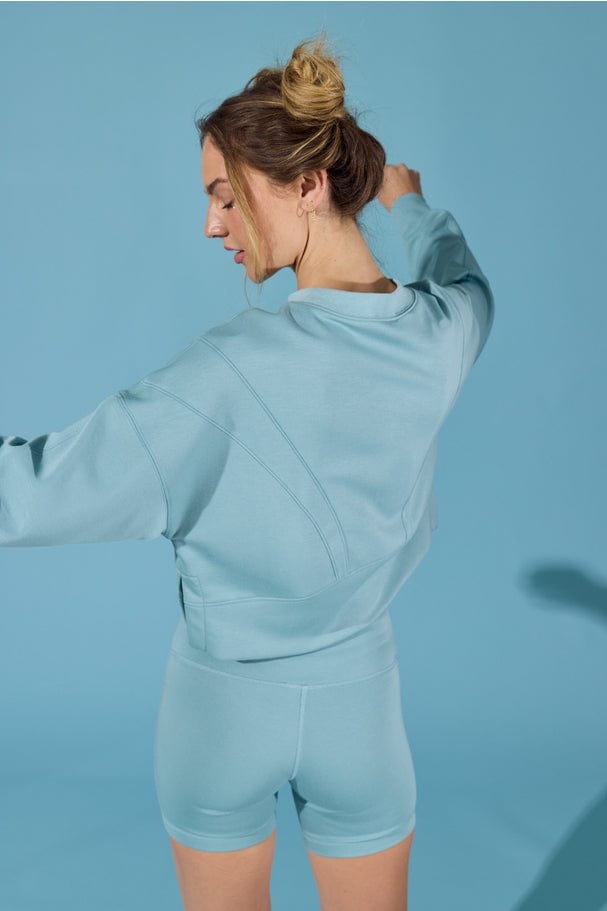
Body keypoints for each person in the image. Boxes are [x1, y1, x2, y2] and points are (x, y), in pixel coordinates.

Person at [0, 33, 494, 911]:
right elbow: (465, 282)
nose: (211, 224)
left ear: (306, 184)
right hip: (363, 718)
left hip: (219, 718)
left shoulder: (220, 374)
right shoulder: (438, 336)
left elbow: (28, 493)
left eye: (225, 197)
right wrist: (409, 203)